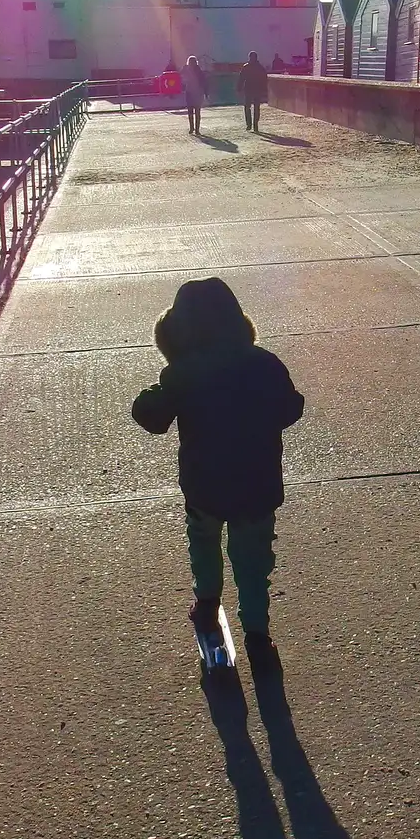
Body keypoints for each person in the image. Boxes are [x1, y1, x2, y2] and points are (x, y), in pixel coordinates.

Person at [131, 277, 305, 663]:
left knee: (204, 542)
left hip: (205, 484)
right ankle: (258, 633)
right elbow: (291, 408)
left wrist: (151, 395)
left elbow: (153, 419)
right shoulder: (264, 362)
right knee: (254, 557)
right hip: (256, 485)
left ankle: (207, 603)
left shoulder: (182, 373)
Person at [237, 50, 269, 133]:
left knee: (247, 107)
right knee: (256, 107)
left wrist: (239, 88)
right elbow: (264, 79)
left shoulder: (246, 67)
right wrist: (264, 89)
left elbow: (241, 78)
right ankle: (255, 125)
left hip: (248, 89)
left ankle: (249, 124)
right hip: (257, 89)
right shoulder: (260, 67)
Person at [180, 55, 208, 135]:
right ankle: (197, 129)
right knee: (197, 112)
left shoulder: (186, 69)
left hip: (190, 92)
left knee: (190, 112)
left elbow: (181, 77)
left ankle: (192, 128)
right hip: (197, 93)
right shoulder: (198, 70)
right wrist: (206, 92)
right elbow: (204, 82)